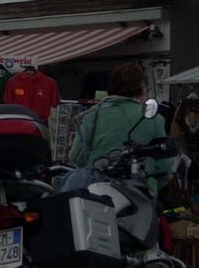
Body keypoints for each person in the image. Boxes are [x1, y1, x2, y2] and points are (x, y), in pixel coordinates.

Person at [63, 62, 172, 193]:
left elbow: (75, 157)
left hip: (98, 191)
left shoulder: (93, 114)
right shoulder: (154, 118)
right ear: (141, 88)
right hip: (141, 193)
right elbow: (165, 164)